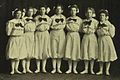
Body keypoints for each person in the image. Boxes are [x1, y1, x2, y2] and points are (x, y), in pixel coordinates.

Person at [96, 9, 117, 75]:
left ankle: (107, 70)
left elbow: (112, 34)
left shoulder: (109, 24)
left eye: (103, 15)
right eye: (101, 15)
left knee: (107, 54)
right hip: (100, 39)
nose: (102, 17)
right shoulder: (98, 24)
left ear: (106, 17)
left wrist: (107, 31)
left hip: (107, 40)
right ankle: (101, 70)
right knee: (101, 54)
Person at [6, 9, 27, 74]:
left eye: (20, 14)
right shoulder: (11, 22)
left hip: (20, 39)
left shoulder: (22, 22)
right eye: (17, 13)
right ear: (15, 14)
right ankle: (12, 69)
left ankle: (16, 69)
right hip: (14, 38)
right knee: (13, 54)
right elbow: (8, 33)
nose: (18, 15)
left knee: (19, 54)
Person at [65, 4, 82, 74]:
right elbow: (66, 27)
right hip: (69, 35)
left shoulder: (80, 19)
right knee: (69, 50)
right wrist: (70, 28)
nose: (73, 12)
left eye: (74, 10)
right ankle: (69, 68)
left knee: (75, 50)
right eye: (71, 10)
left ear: (77, 11)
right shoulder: (67, 19)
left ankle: (74, 68)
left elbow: (81, 29)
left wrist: (75, 29)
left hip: (76, 35)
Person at [80, 7, 98, 74]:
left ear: (93, 13)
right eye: (87, 12)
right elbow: (81, 30)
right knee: (86, 52)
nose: (89, 14)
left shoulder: (95, 22)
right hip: (85, 37)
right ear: (85, 14)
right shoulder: (83, 21)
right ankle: (86, 69)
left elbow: (97, 29)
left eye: (90, 12)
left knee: (91, 52)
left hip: (92, 37)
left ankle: (91, 69)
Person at [34, 5, 51, 73]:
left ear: (45, 10)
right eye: (41, 9)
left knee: (44, 49)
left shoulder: (48, 18)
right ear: (39, 10)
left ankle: (43, 68)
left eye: (43, 9)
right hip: (38, 34)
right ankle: (38, 68)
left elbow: (49, 26)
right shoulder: (36, 18)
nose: (42, 11)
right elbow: (34, 26)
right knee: (38, 49)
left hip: (45, 34)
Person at [50, 4, 66, 73]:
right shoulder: (52, 18)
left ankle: (58, 68)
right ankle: (54, 68)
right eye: (57, 9)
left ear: (62, 10)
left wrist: (58, 26)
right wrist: (56, 26)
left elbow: (64, 25)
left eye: (60, 9)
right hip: (53, 33)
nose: (58, 10)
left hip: (61, 33)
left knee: (60, 49)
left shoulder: (64, 17)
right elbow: (50, 26)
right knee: (54, 49)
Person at [21, 7, 36, 73]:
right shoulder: (24, 19)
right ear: (27, 12)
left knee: (30, 52)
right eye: (29, 11)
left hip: (32, 35)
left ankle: (28, 68)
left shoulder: (35, 19)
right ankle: (24, 68)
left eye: (31, 11)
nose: (30, 13)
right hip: (25, 35)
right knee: (24, 51)